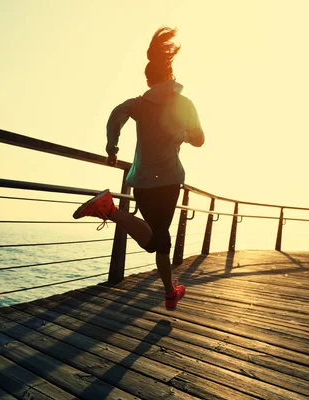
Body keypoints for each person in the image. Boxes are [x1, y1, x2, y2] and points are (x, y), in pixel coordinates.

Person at [73, 27, 205, 310]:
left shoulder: (138, 104)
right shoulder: (184, 104)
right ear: (170, 76)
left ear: (148, 79)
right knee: (157, 239)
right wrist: (182, 133)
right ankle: (109, 209)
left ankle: (170, 293)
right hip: (169, 180)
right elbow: (200, 140)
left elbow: (115, 116)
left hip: (142, 180)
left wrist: (112, 147)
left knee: (160, 238)